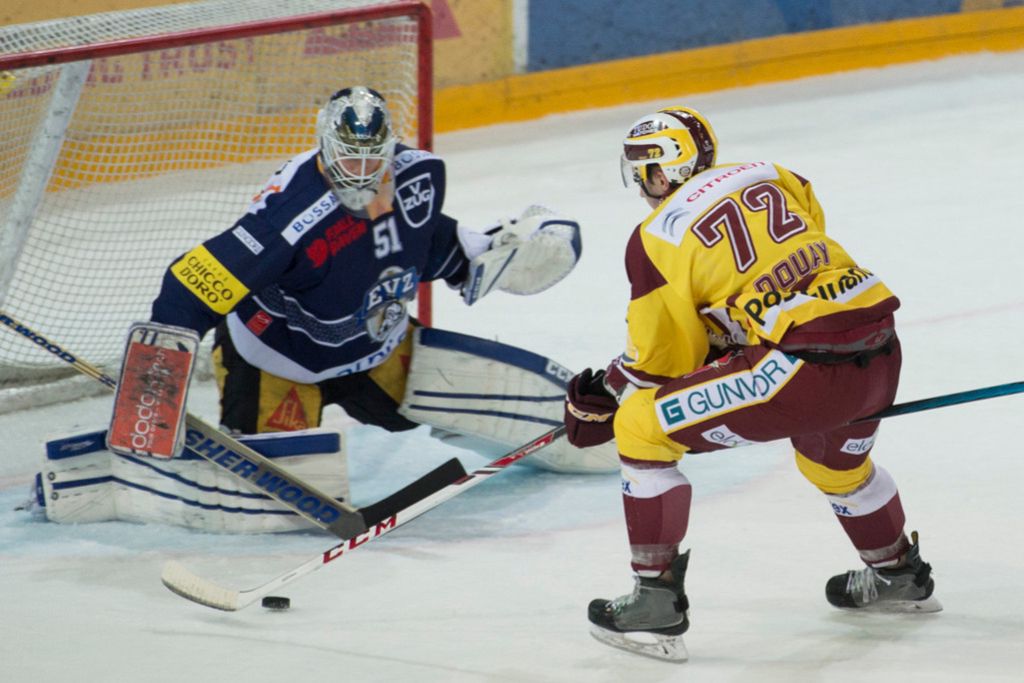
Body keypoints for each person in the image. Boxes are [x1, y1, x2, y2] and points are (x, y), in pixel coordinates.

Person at [563, 105, 940, 661]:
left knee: (642, 427)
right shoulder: (773, 173)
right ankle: (896, 573)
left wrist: (607, 397)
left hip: (797, 372)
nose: (643, 186)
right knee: (830, 460)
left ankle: (654, 605)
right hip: (879, 346)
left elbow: (664, 361)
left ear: (662, 173)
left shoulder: (655, 236)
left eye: (644, 172)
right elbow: (796, 255)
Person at [110, 85, 617, 484]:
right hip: (277, 360)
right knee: (279, 494)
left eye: (373, 159)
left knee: (402, 415)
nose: (361, 174)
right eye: (349, 161)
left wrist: (493, 253)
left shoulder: (411, 178)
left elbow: (421, 243)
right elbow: (188, 285)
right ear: (326, 149)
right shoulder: (289, 217)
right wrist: (154, 381)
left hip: (371, 346)